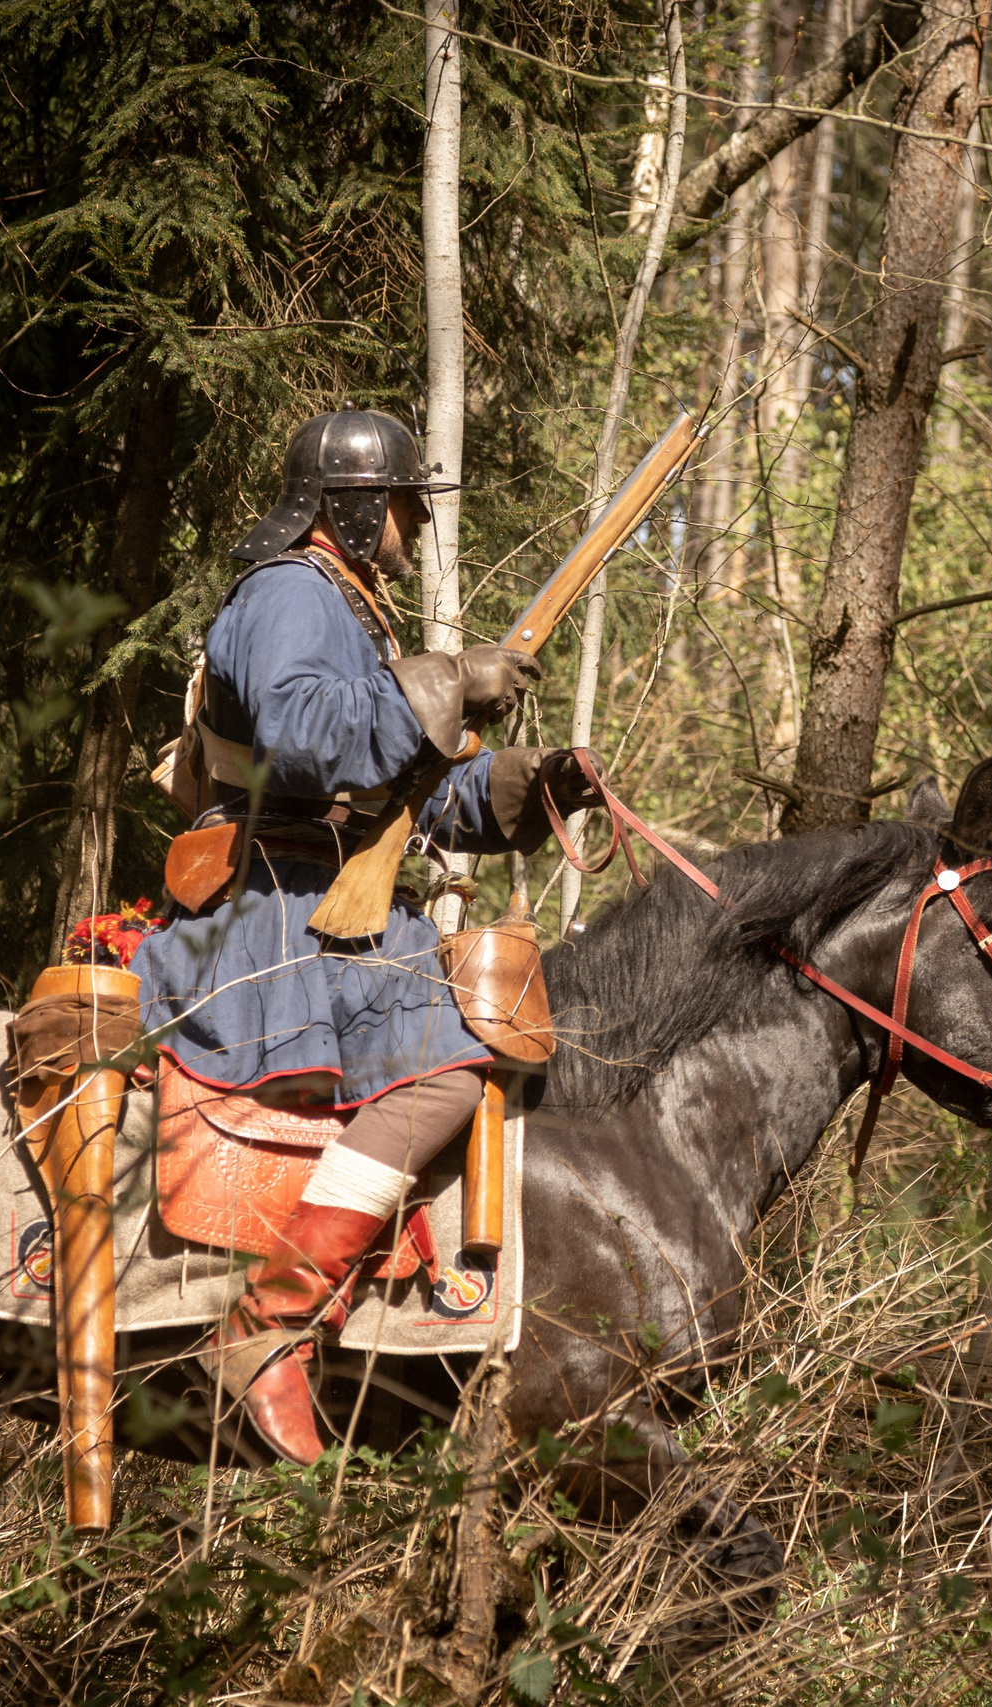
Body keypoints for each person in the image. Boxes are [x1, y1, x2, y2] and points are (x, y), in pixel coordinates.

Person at [131, 408, 586, 1464]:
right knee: (446, 1071)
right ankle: (271, 1321)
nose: (413, 525)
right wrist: (448, 679)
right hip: (272, 909)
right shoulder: (290, 590)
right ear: (352, 504)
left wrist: (528, 784)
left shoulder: (348, 605)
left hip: (331, 894)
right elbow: (301, 735)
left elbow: (398, 793)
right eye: (402, 506)